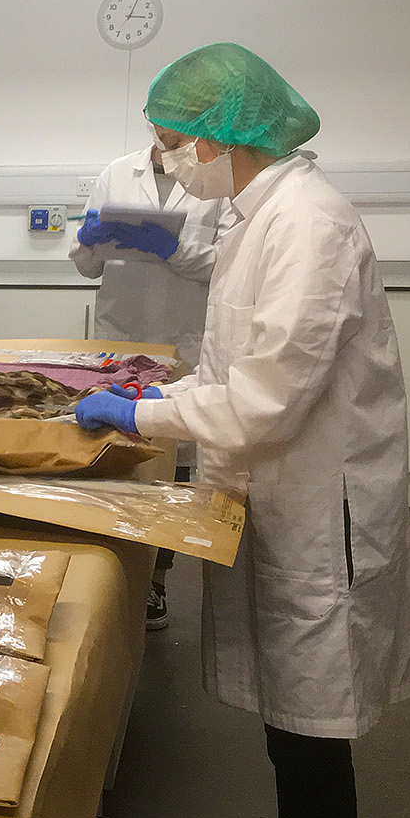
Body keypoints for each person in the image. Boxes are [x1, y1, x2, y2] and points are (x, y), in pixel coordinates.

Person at [71, 43, 410, 818]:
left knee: (316, 730)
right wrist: (166, 388)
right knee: (288, 714)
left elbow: (267, 395)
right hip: (280, 497)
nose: (173, 160)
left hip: (322, 513)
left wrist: (145, 416)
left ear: (230, 134)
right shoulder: (256, 214)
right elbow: (234, 361)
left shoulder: (311, 226)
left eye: (177, 141)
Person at [69, 119, 234, 631]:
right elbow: (84, 266)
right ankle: (108, 572)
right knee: (118, 454)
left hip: (186, 337)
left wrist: (173, 248)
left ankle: (156, 579)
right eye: (159, 120)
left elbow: (229, 263)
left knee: (172, 462)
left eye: (180, 124)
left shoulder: (218, 181)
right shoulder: (116, 174)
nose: (168, 131)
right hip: (121, 337)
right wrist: (89, 240)